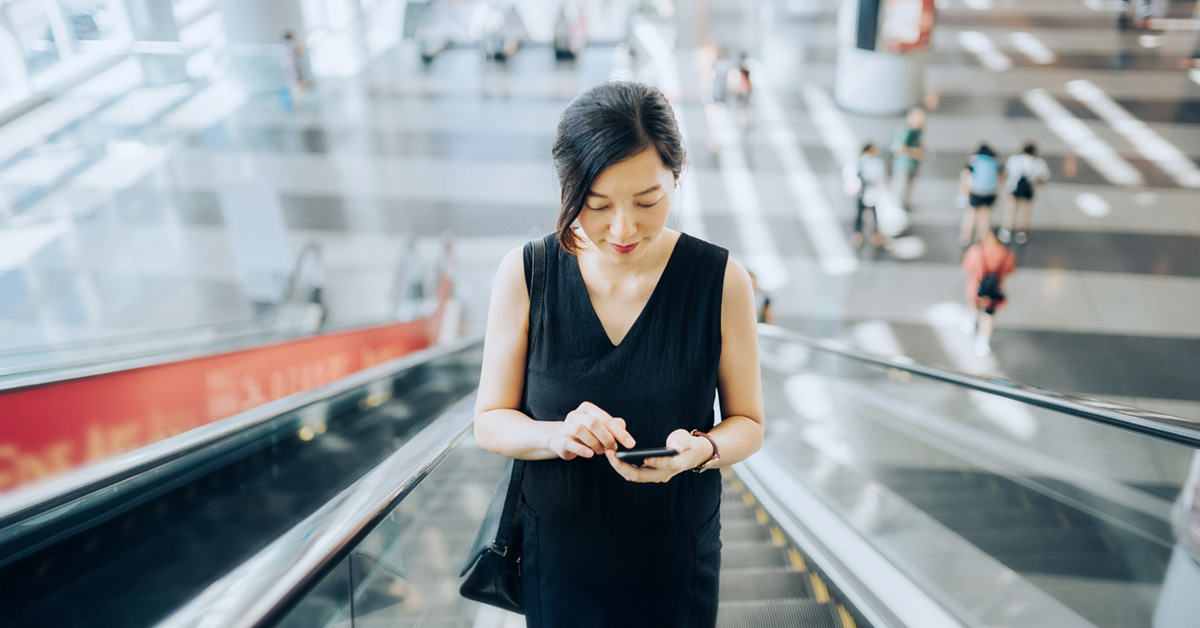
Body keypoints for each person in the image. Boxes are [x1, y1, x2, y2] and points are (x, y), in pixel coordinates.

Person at [473, 81, 765, 627]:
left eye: (648, 201)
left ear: (677, 179)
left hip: (675, 555)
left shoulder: (721, 281)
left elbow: (748, 422)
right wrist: (554, 434)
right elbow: (489, 422)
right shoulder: (527, 274)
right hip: (559, 559)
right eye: (597, 205)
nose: (624, 228)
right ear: (567, 188)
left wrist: (697, 451)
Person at [961, 229, 1017, 357]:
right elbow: (1010, 271)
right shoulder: (1006, 253)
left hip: (975, 287)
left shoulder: (976, 250)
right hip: (994, 289)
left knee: (973, 304)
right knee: (989, 315)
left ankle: (971, 321)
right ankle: (983, 341)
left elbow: (966, 268)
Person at [999, 142, 1050, 244]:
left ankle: (1006, 230)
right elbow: (1044, 178)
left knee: (1011, 210)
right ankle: (1022, 232)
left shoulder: (1014, 160)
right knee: (1025, 212)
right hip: (1028, 190)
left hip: (1013, 189)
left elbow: (1007, 173)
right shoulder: (1039, 163)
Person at [958, 143, 1004, 247]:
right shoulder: (996, 160)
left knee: (971, 213)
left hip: (976, 191)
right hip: (990, 192)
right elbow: (1002, 176)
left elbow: (966, 174)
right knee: (985, 215)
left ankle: (965, 237)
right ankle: (981, 238)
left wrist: (964, 192)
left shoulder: (974, 159)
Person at [845, 142, 888, 247]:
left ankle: (858, 235)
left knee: (859, 214)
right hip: (871, 192)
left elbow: (847, 174)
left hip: (860, 192)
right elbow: (881, 178)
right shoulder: (877, 162)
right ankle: (875, 235)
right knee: (874, 214)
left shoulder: (857, 161)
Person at [889, 107, 926, 209]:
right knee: (901, 185)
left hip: (913, 164)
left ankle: (904, 203)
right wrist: (915, 152)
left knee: (908, 186)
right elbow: (898, 147)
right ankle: (897, 206)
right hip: (903, 164)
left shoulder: (918, 130)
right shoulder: (904, 130)